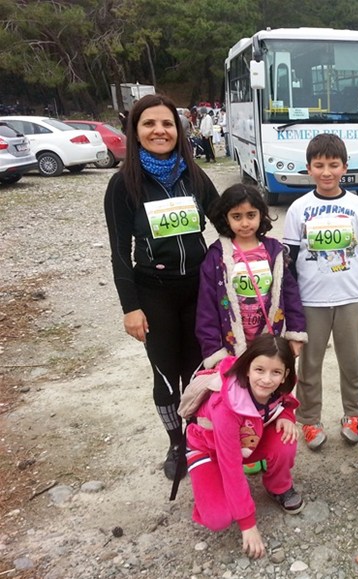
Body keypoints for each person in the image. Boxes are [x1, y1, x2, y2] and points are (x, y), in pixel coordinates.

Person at [103, 94, 219, 480]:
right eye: (149, 124)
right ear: (135, 131)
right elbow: (120, 252)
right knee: (167, 375)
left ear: (178, 130)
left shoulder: (194, 176)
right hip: (154, 294)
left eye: (167, 123)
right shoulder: (123, 185)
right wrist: (130, 307)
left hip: (199, 290)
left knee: (199, 371)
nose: (160, 131)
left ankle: (199, 436)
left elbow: (227, 220)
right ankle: (176, 443)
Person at [283, 133, 358, 450]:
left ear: (344, 167)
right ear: (308, 168)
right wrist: (291, 306)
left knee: (352, 363)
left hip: (351, 298)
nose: (326, 172)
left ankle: (354, 414)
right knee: (309, 365)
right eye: (319, 165)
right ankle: (309, 419)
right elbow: (289, 262)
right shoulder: (298, 209)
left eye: (333, 165)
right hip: (311, 301)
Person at [186, 335, 304, 559]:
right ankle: (207, 483)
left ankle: (278, 487)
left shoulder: (278, 388)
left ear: (285, 375)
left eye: (275, 372)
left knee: (286, 438)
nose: (266, 379)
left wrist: (287, 416)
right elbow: (231, 466)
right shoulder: (226, 406)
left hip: (246, 440)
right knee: (218, 519)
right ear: (247, 368)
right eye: (259, 370)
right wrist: (247, 524)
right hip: (208, 449)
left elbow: (286, 402)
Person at [196, 183, 307, 373]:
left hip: (270, 341)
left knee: (268, 385)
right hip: (231, 346)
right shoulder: (216, 257)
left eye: (251, 215)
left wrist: (295, 334)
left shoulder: (275, 252)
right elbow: (207, 308)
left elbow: (291, 296)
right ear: (225, 218)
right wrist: (214, 351)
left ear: (261, 214)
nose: (245, 223)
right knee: (237, 389)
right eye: (236, 216)